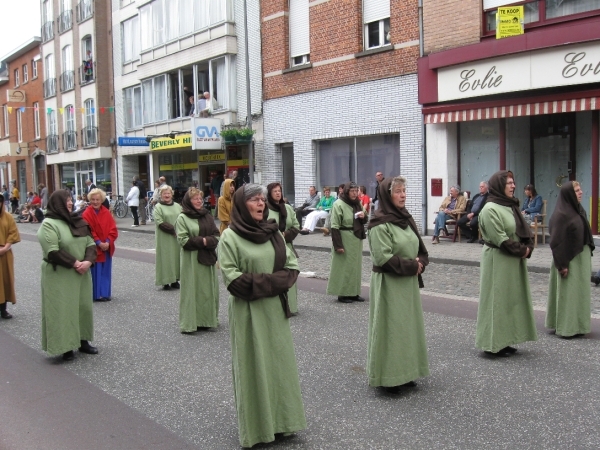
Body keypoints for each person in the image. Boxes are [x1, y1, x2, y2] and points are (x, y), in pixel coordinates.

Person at [218, 184, 305, 447]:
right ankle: (258, 429)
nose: (260, 204)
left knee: (279, 366)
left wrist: (263, 282)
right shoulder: (230, 238)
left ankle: (283, 422)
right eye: (254, 200)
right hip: (249, 314)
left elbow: (292, 268)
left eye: (262, 200)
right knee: (254, 367)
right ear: (242, 206)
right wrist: (272, 282)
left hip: (274, 312)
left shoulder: (274, 233)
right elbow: (233, 281)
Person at [367, 176, 429, 392]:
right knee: (391, 329)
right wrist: (412, 266)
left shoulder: (404, 218)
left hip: (407, 284)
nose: (403, 195)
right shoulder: (379, 224)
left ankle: (406, 370)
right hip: (390, 284)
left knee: (406, 328)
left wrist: (420, 261)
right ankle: (389, 375)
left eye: (404, 191)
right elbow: (382, 257)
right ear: (387, 195)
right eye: (398, 191)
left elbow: (419, 246)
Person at [476, 171, 537, 357]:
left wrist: (528, 246)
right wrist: (523, 251)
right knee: (497, 300)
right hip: (498, 259)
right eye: (509, 183)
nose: (513, 186)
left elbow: (520, 231)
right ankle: (492, 342)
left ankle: (506, 338)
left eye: (513, 182)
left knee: (510, 300)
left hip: (512, 259)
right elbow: (500, 239)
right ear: (499, 185)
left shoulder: (510, 205)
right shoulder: (490, 209)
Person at [37, 190, 98, 361]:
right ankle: (65, 346)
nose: (70, 203)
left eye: (71, 200)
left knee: (83, 307)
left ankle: (83, 340)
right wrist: (75, 263)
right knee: (63, 310)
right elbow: (52, 250)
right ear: (57, 203)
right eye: (67, 200)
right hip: (61, 274)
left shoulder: (77, 221)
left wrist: (87, 261)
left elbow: (90, 242)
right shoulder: (49, 224)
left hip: (81, 273)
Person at [546, 181, 595, 338]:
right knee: (568, 294)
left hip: (580, 259)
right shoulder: (562, 214)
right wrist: (562, 265)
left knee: (579, 293)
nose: (580, 192)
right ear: (568, 194)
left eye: (580, 189)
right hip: (569, 260)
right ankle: (566, 326)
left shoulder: (578, 210)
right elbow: (556, 241)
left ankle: (578, 325)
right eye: (576, 190)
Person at [175, 188, 220, 332]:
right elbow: (183, 240)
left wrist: (205, 241)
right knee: (193, 290)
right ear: (189, 201)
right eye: (195, 199)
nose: (199, 201)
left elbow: (217, 235)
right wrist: (205, 241)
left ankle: (207, 319)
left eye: (200, 198)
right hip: (192, 260)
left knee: (207, 290)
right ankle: (191, 321)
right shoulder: (182, 218)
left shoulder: (207, 216)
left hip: (207, 258)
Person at [326, 182, 368, 303]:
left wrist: (363, 217)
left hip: (355, 238)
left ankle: (354, 292)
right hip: (344, 238)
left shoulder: (357, 203)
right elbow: (334, 226)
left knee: (355, 267)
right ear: (346, 192)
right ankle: (343, 293)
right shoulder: (338, 204)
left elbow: (365, 218)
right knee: (344, 267)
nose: (355, 194)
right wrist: (338, 245)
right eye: (352, 191)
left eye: (356, 191)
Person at [267, 182, 301, 313]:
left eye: (279, 191)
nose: (277, 193)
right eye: (274, 191)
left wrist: (286, 234)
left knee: (290, 274)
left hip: (287, 245)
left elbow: (296, 226)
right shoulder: (266, 209)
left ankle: (291, 306)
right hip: (272, 247)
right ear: (270, 193)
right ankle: (277, 307)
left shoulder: (287, 208)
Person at [82, 188, 118, 302]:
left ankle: (105, 293)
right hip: (94, 247)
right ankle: (97, 294)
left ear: (102, 200)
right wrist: (98, 242)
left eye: (97, 199)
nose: (95, 202)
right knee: (96, 271)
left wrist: (108, 241)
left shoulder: (106, 212)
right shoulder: (86, 213)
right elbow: (89, 230)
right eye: (93, 199)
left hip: (106, 246)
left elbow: (113, 228)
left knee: (105, 271)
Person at [154, 185, 183, 291]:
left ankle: (175, 279)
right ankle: (165, 281)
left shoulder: (177, 206)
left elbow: (182, 219)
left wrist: (180, 230)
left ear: (172, 194)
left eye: (168, 193)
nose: (167, 195)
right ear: (161, 195)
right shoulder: (158, 207)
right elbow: (159, 221)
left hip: (177, 237)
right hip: (164, 237)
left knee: (176, 257)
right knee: (165, 258)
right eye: (164, 193)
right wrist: (173, 230)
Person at [0, 193, 20, 319]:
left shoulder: (7, 217)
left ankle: (3, 309)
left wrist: (6, 247)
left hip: (5, 253)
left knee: (6, 280)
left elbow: (13, 233)